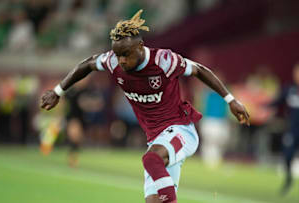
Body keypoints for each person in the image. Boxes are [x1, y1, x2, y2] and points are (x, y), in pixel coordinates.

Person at [40, 10, 250, 203]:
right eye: (118, 54)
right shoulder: (113, 61)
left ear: (140, 46)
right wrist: (58, 92)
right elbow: (86, 65)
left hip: (180, 130)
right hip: (156, 138)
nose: (121, 60)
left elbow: (200, 70)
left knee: (151, 159)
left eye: (126, 54)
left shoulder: (164, 60)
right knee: (153, 200)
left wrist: (231, 100)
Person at [269, 63, 299, 195]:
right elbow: (276, 102)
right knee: (287, 155)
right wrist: (262, 106)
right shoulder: (290, 89)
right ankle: (288, 180)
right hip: (293, 130)